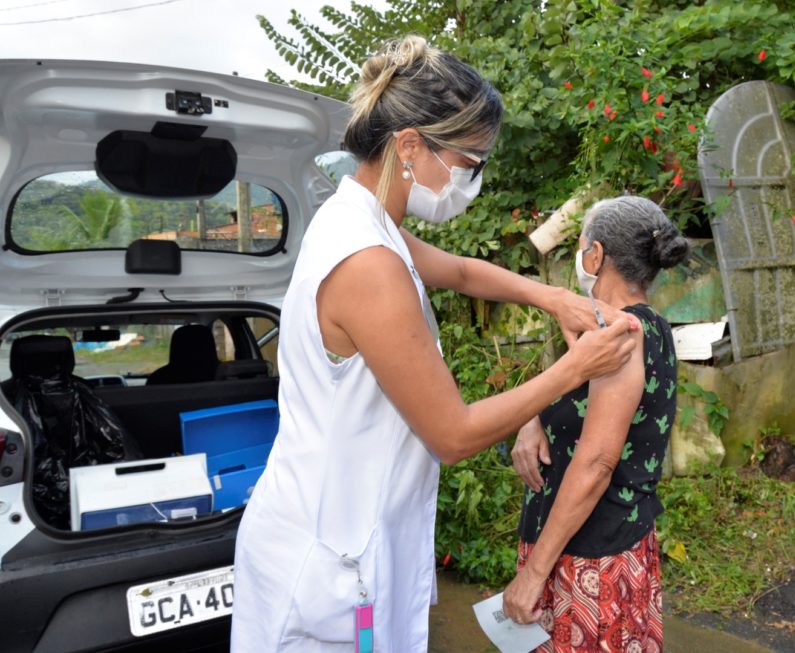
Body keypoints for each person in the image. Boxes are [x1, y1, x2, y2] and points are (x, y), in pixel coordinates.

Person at [231, 36, 639, 653]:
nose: (472, 180)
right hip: (330, 563)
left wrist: (551, 297)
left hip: (352, 537)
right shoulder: (367, 263)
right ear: (411, 146)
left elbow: (464, 272)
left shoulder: (364, 219)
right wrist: (573, 369)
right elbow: (452, 434)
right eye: (469, 163)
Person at [504, 196, 691, 653]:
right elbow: (573, 394)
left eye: (583, 246)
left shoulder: (620, 337)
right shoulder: (639, 328)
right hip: (604, 546)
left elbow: (597, 463)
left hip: (591, 562)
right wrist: (534, 418)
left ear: (596, 256)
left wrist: (532, 575)